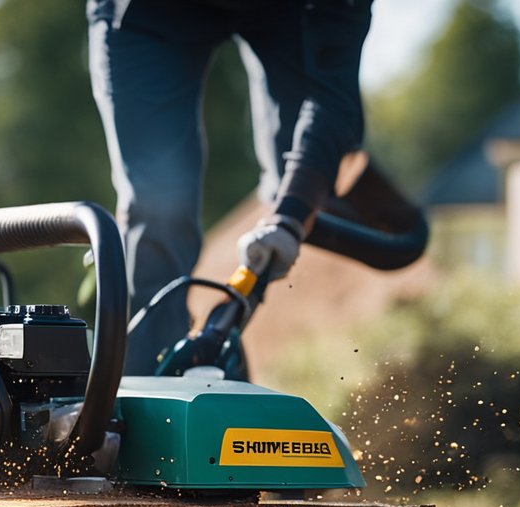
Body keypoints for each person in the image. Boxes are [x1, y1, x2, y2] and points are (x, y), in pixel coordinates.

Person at [88, 0, 375, 374]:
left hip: (289, 13)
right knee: (160, 204)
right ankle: (145, 398)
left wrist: (290, 217)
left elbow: (330, 101)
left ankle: (219, 359)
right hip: (150, 13)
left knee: (302, 179)